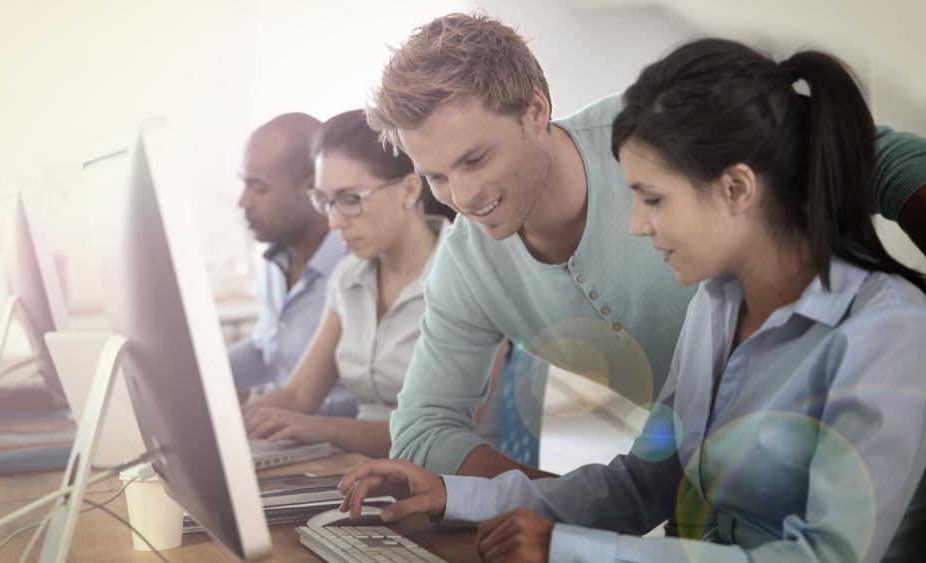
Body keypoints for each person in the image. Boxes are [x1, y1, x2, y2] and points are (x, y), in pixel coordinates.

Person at [337, 38, 926, 563]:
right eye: (437, 176)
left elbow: (826, 555)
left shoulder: (885, 332)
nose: (460, 196)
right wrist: (465, 499)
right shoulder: (715, 307)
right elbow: (646, 483)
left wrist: (574, 546)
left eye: (650, 198)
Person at [240, 109, 457, 458]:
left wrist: (324, 429)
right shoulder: (349, 276)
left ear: (409, 189)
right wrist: (222, 424)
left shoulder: (462, 274)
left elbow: (440, 433)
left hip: (445, 486)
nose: (334, 222)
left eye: (350, 199)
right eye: (325, 202)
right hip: (362, 474)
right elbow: (299, 396)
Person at [227, 113, 359, 416]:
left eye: (258, 188)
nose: (243, 202)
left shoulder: (357, 266)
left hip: (339, 442)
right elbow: (268, 351)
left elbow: (369, 403)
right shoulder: (275, 261)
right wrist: (198, 375)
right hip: (291, 430)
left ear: (314, 189)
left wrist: (255, 407)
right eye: (243, 184)